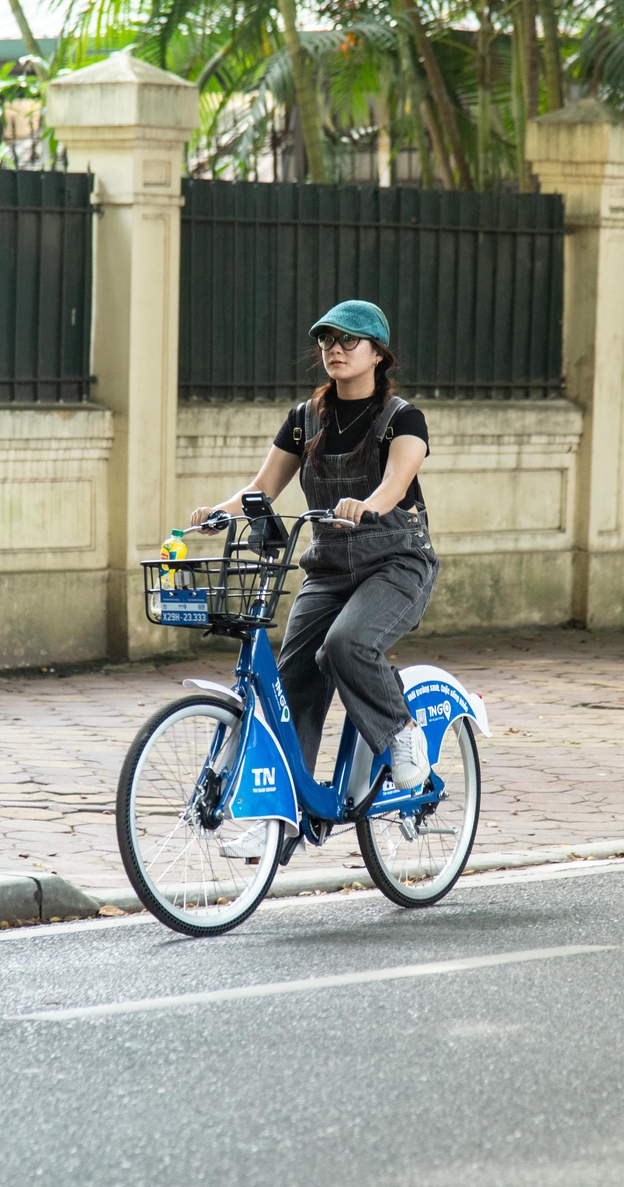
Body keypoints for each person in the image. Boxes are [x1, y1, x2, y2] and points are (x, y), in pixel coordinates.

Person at [190, 300, 438, 858]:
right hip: (327, 569)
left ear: (378, 354)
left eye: (350, 341)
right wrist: (220, 511)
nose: (335, 349)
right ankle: (283, 817)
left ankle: (400, 731)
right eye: (328, 340)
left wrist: (367, 504)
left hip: (396, 564)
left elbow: (397, 482)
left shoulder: (402, 418)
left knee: (346, 646)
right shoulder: (305, 419)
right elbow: (262, 489)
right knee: (293, 682)